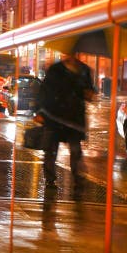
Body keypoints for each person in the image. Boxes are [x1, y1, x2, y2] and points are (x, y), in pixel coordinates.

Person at [35, 52, 95, 196]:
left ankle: (78, 180)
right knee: (50, 150)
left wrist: (89, 94)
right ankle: (50, 180)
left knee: (75, 151)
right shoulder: (55, 70)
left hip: (74, 119)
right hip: (54, 117)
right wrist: (39, 111)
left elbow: (89, 93)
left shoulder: (84, 71)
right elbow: (44, 91)